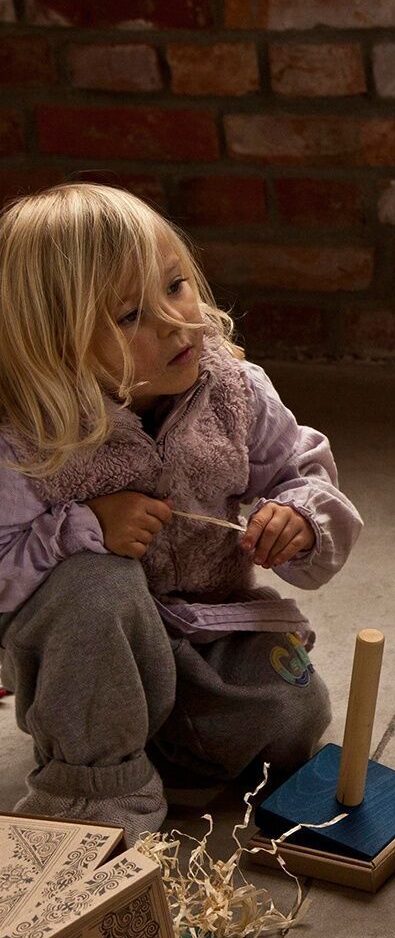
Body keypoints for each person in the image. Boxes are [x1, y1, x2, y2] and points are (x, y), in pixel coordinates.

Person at [0, 183, 363, 840]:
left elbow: (305, 472)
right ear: (54, 346)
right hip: (88, 647)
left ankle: (159, 744)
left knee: (296, 713)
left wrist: (299, 517)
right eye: (130, 315)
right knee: (96, 578)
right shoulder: (28, 439)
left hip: (204, 626)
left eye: (175, 286)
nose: (174, 321)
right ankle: (93, 783)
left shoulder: (231, 390)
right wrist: (85, 529)